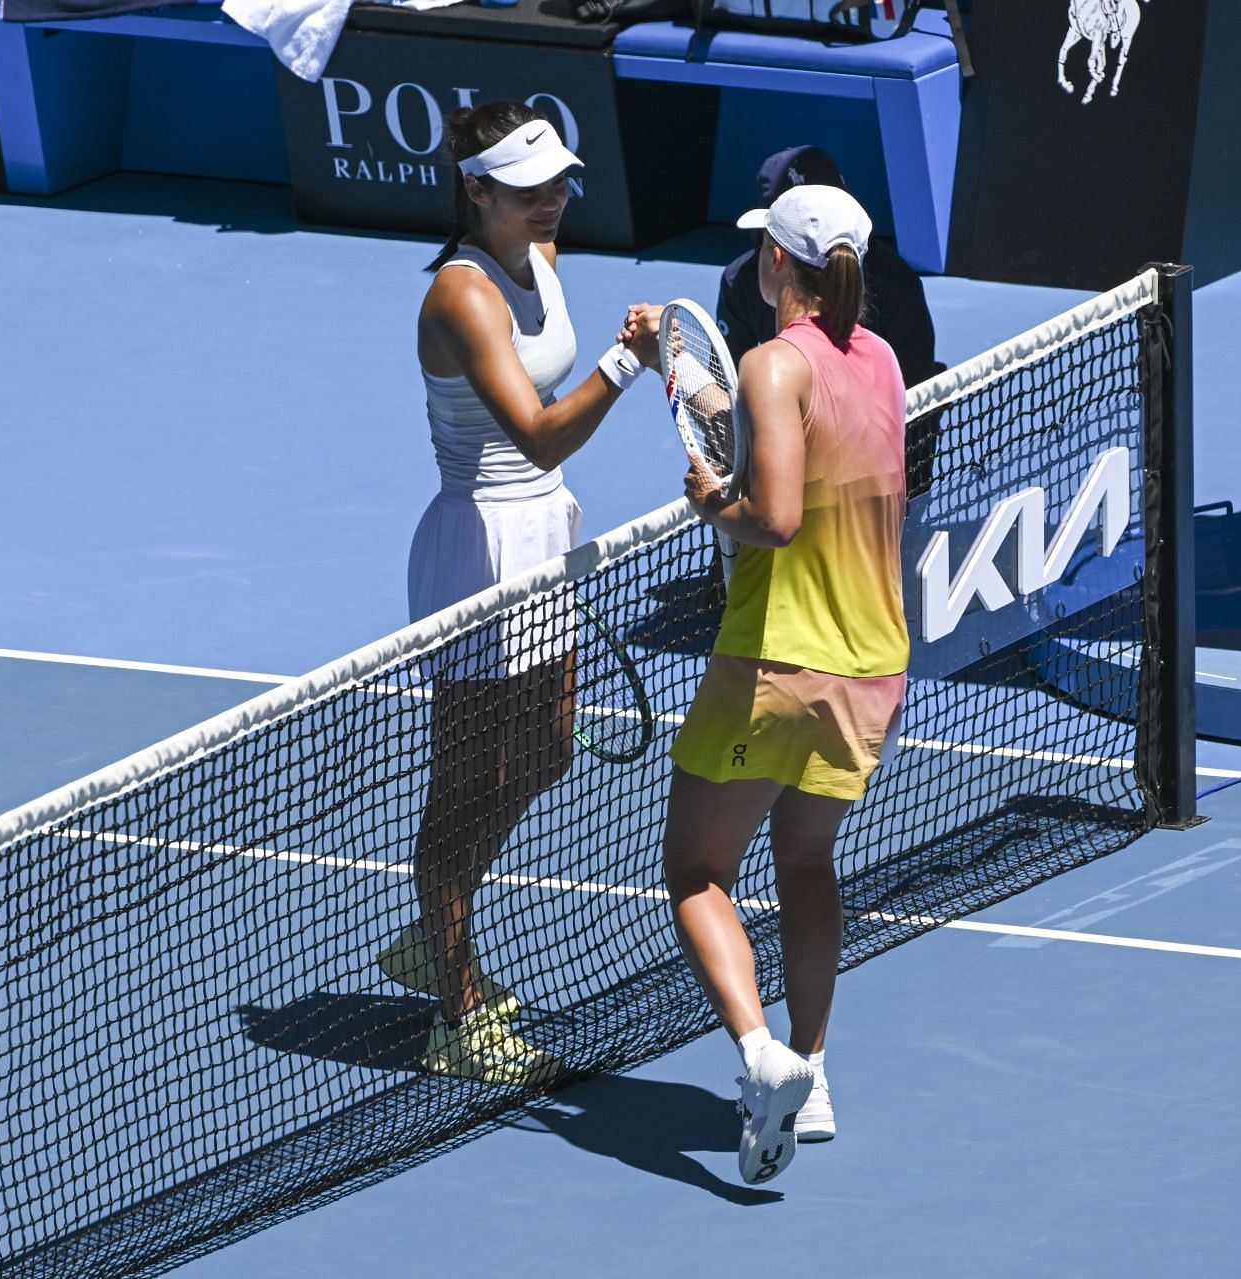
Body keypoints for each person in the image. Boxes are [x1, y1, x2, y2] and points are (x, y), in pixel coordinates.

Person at [382, 100, 654, 1088]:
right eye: (533, 191)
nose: (555, 203)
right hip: (481, 550)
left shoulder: (536, 258)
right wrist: (629, 363)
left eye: (560, 186)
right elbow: (535, 433)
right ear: (478, 190)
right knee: (466, 781)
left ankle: (430, 927)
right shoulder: (461, 295)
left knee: (542, 751)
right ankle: (454, 1013)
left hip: (545, 532)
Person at [644, 184, 910, 1185]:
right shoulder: (879, 359)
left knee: (697, 874)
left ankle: (761, 1057)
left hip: (773, 665)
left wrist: (719, 505)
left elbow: (777, 514)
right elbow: (792, 426)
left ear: (774, 267)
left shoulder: (769, 361)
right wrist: (677, 374)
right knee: (805, 864)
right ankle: (817, 1066)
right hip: (872, 670)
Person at [716, 145, 942, 386]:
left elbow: (918, 391)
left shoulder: (896, 283)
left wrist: (681, 367)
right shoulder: (739, 280)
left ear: (776, 256)